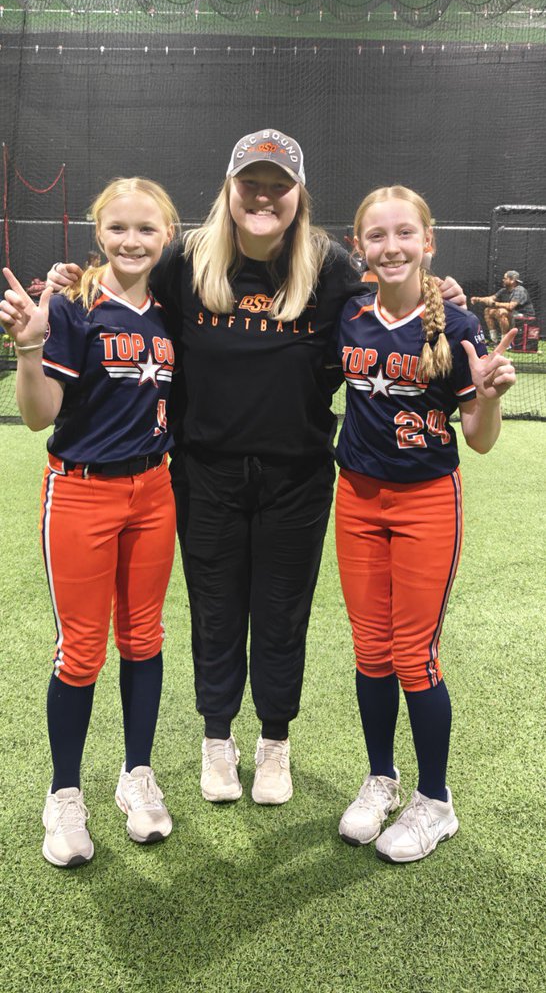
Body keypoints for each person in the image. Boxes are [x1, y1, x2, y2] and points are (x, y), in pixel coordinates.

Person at [46, 130, 465, 808]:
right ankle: (217, 737)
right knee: (214, 612)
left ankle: (274, 741)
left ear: (299, 195)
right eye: (251, 184)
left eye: (279, 186)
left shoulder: (329, 267)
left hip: (297, 479)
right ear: (230, 189)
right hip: (203, 473)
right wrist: (77, 280)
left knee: (281, 615)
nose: (264, 197)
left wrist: (441, 292)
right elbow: (126, 273)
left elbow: (394, 295)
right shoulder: (187, 260)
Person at [0, 177, 179, 867]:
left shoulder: (172, 310)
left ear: (168, 236)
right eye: (118, 228)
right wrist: (28, 347)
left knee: (143, 638)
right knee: (81, 651)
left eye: (146, 229)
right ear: (97, 233)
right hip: (81, 494)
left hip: (154, 491)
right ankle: (64, 794)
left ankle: (136, 775)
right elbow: (39, 414)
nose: (131, 241)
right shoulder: (75, 306)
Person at [335, 184, 516, 864]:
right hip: (356, 499)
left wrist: (489, 397)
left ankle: (435, 802)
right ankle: (381, 779)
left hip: (426, 503)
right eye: (377, 235)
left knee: (415, 655)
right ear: (359, 247)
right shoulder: (349, 312)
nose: (392, 247)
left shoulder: (458, 326)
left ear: (428, 242)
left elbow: (480, 440)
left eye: (404, 233)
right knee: (370, 651)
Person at [471, 270, 535, 344]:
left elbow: (511, 306)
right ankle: (494, 339)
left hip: (524, 316)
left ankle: (505, 342)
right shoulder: (504, 290)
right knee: (488, 310)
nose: (503, 280)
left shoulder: (519, 290)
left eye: (505, 278)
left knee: (502, 311)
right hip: (513, 314)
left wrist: (494, 304)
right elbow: (491, 298)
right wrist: (477, 299)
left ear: (512, 280)